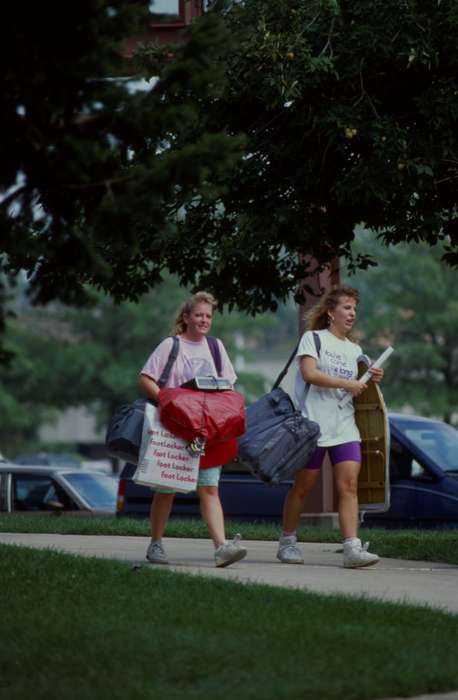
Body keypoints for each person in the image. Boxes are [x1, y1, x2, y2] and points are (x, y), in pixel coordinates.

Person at [277, 286, 384, 569]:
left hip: (345, 425)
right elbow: (309, 374)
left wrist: (371, 377)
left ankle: (352, 548)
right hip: (313, 424)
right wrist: (349, 383)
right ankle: (287, 541)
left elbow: (357, 386)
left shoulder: (355, 349)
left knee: (348, 485)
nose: (352, 314)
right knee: (304, 485)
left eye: (354, 309)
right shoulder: (313, 339)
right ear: (330, 312)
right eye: (347, 308)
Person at [139, 291, 247, 568]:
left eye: (208, 316)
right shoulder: (170, 345)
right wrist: (166, 400)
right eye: (198, 315)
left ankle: (221, 547)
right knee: (168, 488)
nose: (204, 320)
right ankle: (156, 544)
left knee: (209, 487)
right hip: (176, 429)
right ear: (186, 317)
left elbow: (228, 385)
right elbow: (146, 378)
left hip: (205, 432)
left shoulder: (215, 347)